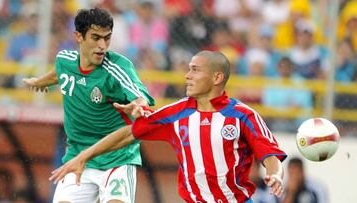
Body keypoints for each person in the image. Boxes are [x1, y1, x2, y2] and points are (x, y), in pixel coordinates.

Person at [49, 51, 287, 203]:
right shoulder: (176, 114)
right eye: (188, 69)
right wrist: (85, 155)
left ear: (217, 78)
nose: (187, 76)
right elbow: (128, 134)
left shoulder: (243, 115)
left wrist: (274, 173)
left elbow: (269, 153)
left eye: (195, 70)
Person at [23, 8, 154, 203]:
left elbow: (139, 93)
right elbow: (58, 73)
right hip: (78, 157)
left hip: (116, 159)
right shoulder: (64, 61)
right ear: (78, 36)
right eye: (95, 38)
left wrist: (138, 105)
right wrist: (39, 82)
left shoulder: (117, 68)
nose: (102, 45)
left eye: (107, 38)